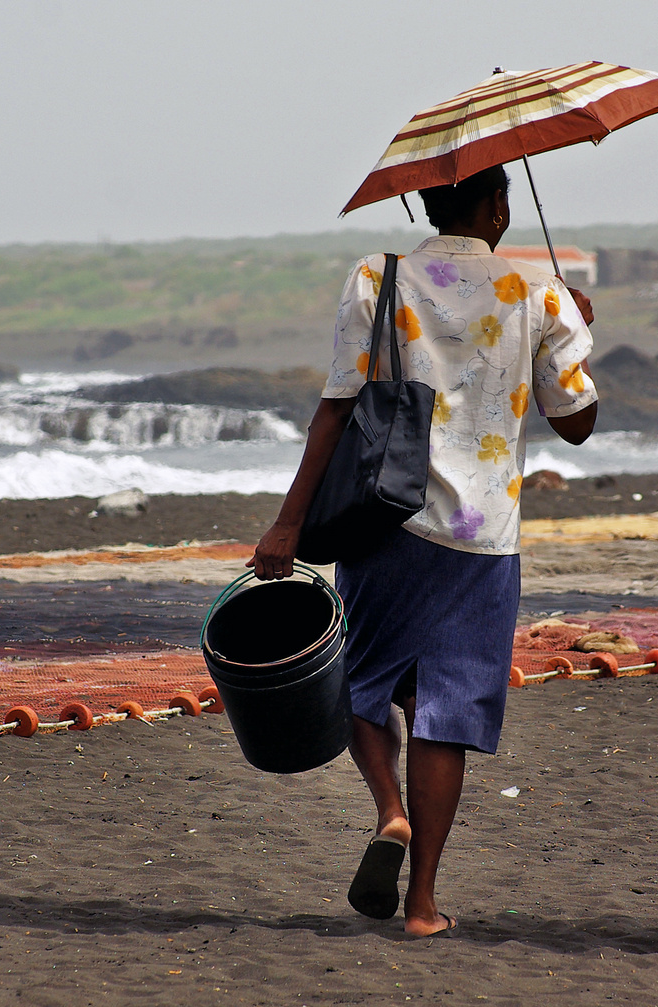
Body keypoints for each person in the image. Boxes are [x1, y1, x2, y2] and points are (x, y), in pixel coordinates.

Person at [250, 164, 599, 937]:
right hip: (483, 540)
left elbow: (336, 409)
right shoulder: (538, 295)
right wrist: (576, 330)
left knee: (359, 681)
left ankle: (390, 812)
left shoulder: (378, 276)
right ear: (500, 205)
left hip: (384, 522)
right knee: (448, 714)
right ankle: (424, 904)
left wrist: (287, 524)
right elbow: (575, 421)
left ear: (427, 200)